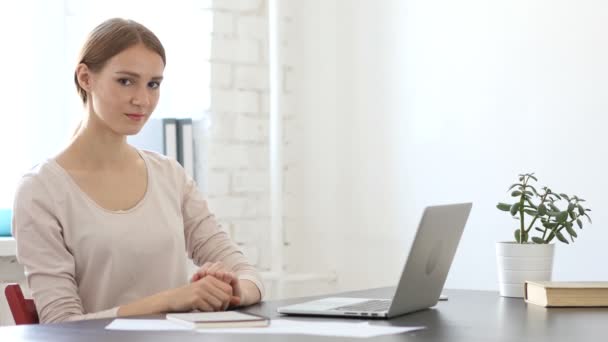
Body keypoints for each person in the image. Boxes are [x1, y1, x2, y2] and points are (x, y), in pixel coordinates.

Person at [11, 18, 263, 324]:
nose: (142, 100)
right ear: (85, 78)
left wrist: (235, 290)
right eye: (125, 81)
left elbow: (247, 274)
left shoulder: (169, 175)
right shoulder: (41, 191)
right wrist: (173, 300)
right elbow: (61, 324)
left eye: (153, 84)